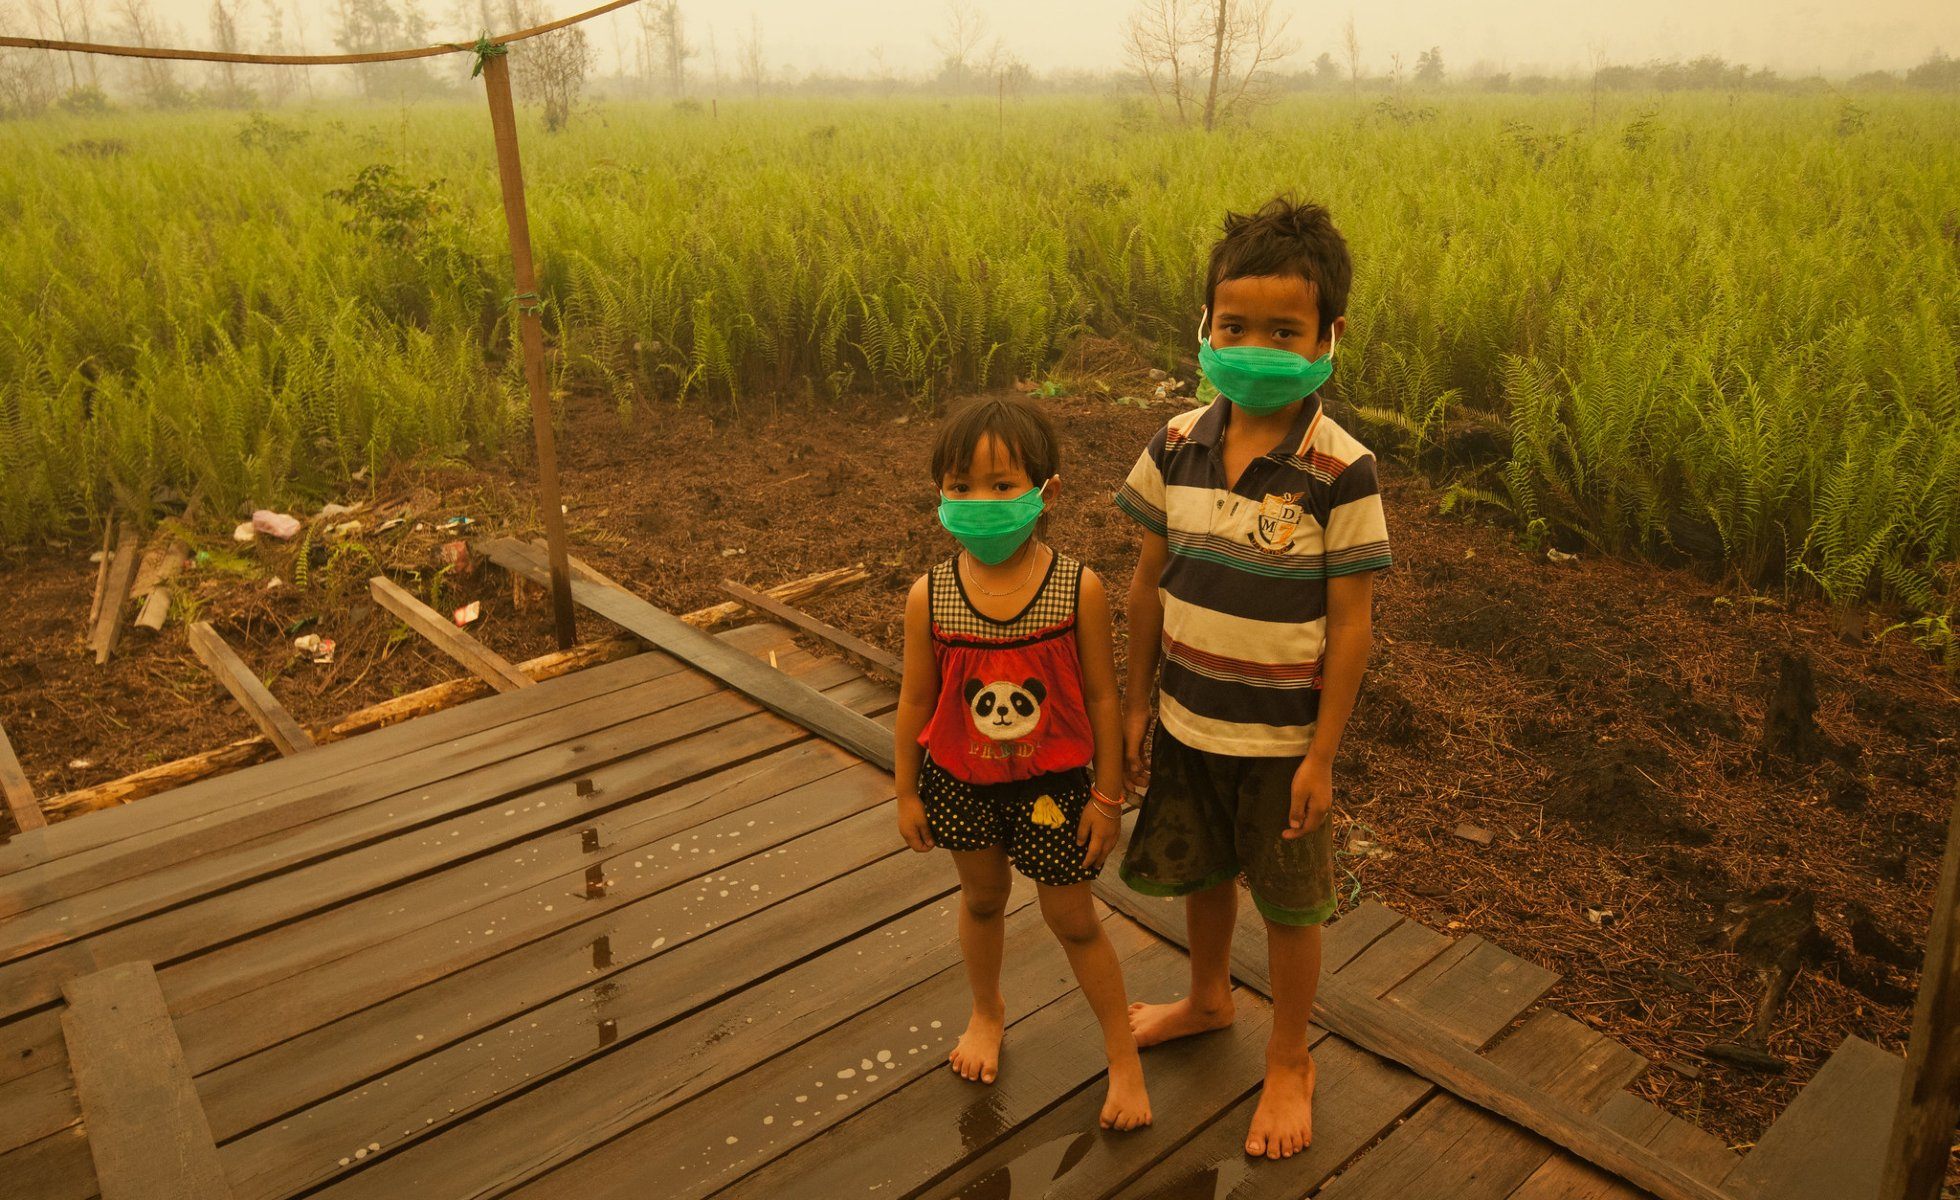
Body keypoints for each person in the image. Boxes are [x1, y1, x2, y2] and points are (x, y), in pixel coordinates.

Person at [1115, 197, 1391, 1159]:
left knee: (1290, 902)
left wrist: (1324, 754)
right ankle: (1204, 996)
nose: (1255, 347)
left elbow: (1352, 626)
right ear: (1205, 327)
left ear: (1328, 337)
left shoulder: (1339, 470)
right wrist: (1137, 704)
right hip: (1188, 718)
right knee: (1201, 871)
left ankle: (1289, 1059)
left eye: (1285, 331)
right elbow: (1148, 581)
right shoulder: (1176, 442)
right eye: (1235, 327)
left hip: (1281, 744)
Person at [893, 396, 1152, 1131]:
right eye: (960, 485)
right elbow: (915, 702)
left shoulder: (1078, 588)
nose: (980, 501)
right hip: (960, 783)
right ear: (940, 494)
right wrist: (905, 791)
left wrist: (1107, 799)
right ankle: (987, 1009)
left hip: (1056, 788)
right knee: (981, 900)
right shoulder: (931, 596)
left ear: (1048, 492)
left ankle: (1122, 1055)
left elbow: (1102, 700)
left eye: (1002, 485)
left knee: (1072, 916)